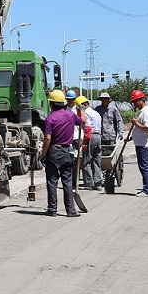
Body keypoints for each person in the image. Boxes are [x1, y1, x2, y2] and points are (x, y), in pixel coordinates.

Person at [41, 89, 84, 217]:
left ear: (52, 104)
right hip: (68, 151)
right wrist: (81, 110)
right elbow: (82, 121)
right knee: (67, 182)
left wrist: (43, 155)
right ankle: (70, 210)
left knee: (52, 181)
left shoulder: (50, 119)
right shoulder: (70, 116)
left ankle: (52, 209)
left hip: (54, 151)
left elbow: (48, 138)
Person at [124, 90, 148, 196]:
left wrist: (136, 123)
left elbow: (147, 128)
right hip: (140, 143)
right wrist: (131, 138)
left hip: (144, 145)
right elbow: (140, 130)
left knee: (144, 167)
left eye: (135, 101)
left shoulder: (146, 112)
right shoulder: (142, 111)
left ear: (141, 100)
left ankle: (147, 190)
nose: (134, 104)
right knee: (142, 166)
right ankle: (146, 188)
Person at [76, 96, 103, 190]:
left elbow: (88, 128)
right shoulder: (96, 113)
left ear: (84, 105)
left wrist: (84, 142)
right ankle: (98, 181)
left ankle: (88, 183)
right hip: (98, 136)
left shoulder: (86, 113)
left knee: (86, 160)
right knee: (96, 160)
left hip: (90, 137)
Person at [95, 91, 123, 180]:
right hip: (100, 136)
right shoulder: (97, 110)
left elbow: (119, 120)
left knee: (110, 155)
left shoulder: (113, 109)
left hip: (111, 136)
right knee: (100, 155)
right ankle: (101, 173)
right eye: (102, 99)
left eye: (105, 99)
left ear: (108, 100)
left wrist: (121, 131)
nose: (103, 101)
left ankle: (109, 170)